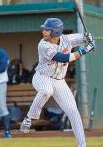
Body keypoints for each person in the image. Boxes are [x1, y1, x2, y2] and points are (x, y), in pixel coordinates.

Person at [20, 18, 95, 147]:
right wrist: (84, 50)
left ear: (55, 32)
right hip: (42, 77)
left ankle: (82, 145)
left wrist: (89, 37)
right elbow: (62, 58)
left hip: (60, 81)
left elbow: (85, 37)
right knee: (46, 90)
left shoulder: (67, 39)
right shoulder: (43, 45)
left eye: (47, 29)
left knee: (73, 112)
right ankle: (28, 119)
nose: (43, 31)